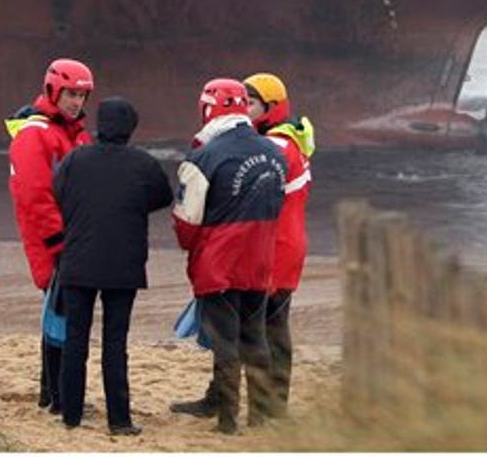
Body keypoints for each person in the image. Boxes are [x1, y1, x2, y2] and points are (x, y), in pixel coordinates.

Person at [172, 71, 315, 420]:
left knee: (268, 332)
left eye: (250, 103)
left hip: (272, 247)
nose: (243, 109)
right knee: (247, 330)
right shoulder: (282, 143)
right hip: (271, 244)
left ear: (272, 107)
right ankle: (228, 398)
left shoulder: (277, 146)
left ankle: (269, 405)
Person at [50, 96, 174, 436]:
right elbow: (164, 196)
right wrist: (129, 205)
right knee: (114, 343)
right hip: (123, 266)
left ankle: (71, 416)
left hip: (77, 262)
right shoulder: (143, 163)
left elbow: (57, 191)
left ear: (100, 125)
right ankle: (119, 420)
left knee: (76, 340)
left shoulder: (75, 160)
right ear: (130, 128)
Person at [5, 58, 94, 413]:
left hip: (73, 240)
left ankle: (49, 392)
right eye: (71, 94)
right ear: (53, 90)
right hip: (55, 243)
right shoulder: (34, 135)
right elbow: (34, 197)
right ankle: (57, 396)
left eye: (82, 96)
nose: (77, 102)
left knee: (61, 314)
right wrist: (57, 243)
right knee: (61, 316)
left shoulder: (76, 134)